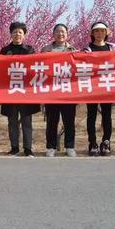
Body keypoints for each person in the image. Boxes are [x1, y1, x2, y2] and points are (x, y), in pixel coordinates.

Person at [0, 21, 40, 157]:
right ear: (11, 34)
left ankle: (28, 148)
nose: (17, 34)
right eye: (15, 32)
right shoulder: (4, 51)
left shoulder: (29, 50)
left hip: (25, 92)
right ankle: (14, 147)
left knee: (27, 121)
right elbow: (0, 70)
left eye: (20, 32)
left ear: (24, 35)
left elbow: (34, 68)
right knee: (12, 121)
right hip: (10, 91)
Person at [41, 23, 78, 157]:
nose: (60, 34)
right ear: (53, 34)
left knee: (69, 121)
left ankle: (70, 146)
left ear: (67, 34)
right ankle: (51, 146)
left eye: (63, 32)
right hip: (51, 91)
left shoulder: (73, 50)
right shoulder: (46, 50)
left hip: (68, 92)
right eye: (57, 31)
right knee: (52, 121)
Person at [83, 21, 115, 156]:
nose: (99, 33)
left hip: (107, 86)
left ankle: (106, 141)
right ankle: (93, 143)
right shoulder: (87, 49)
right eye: (97, 31)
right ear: (92, 33)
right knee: (91, 115)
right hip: (92, 86)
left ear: (106, 33)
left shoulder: (112, 48)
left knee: (107, 115)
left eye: (102, 31)